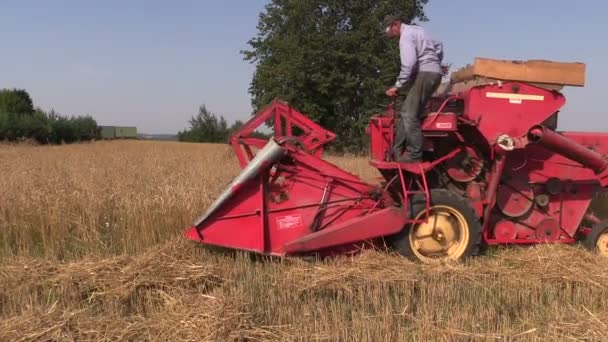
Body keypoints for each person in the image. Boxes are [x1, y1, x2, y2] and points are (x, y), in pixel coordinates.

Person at [383, 15, 444, 163]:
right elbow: (439, 45)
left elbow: (408, 64)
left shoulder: (406, 36)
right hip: (433, 74)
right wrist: (436, 63)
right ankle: (397, 151)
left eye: (389, 31)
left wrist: (397, 86)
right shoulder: (419, 30)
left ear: (395, 25)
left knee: (409, 115)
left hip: (425, 74)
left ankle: (414, 155)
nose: (391, 36)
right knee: (407, 111)